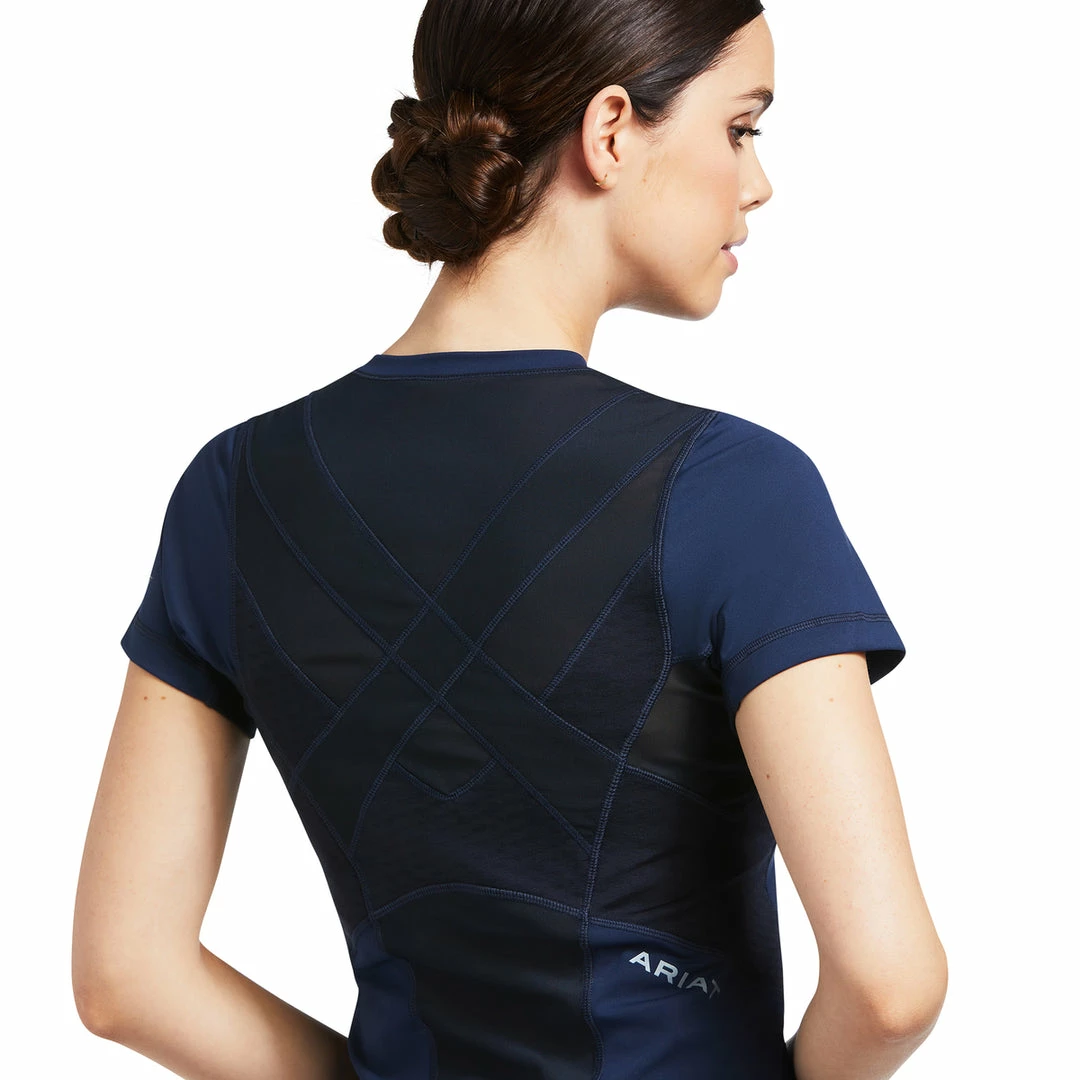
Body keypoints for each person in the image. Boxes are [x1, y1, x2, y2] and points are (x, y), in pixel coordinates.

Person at [72, 2, 948, 1078]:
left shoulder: (234, 490)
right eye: (741, 128)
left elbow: (127, 976)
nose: (757, 182)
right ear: (611, 130)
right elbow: (890, 986)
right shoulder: (730, 490)